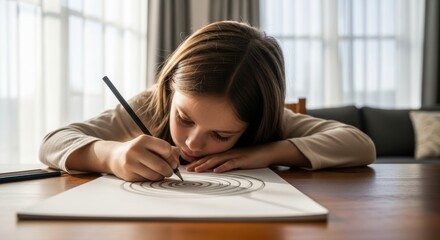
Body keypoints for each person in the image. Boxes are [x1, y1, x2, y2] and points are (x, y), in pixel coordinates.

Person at [40, 21, 376, 182]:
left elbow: (360, 144)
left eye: (221, 135)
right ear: (170, 88)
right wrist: (110, 155)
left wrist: (264, 152)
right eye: (184, 118)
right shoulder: (147, 106)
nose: (192, 142)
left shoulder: (266, 124)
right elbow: (52, 143)